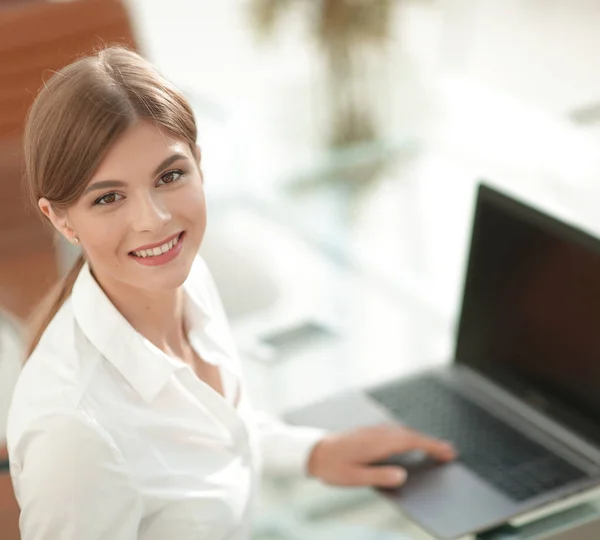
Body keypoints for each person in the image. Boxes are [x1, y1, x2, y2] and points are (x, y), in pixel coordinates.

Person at [6, 46, 456, 540]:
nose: (153, 220)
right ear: (61, 218)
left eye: (170, 176)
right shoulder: (73, 435)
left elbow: (205, 434)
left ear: (199, 164)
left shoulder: (188, 275)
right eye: (108, 197)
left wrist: (312, 452)